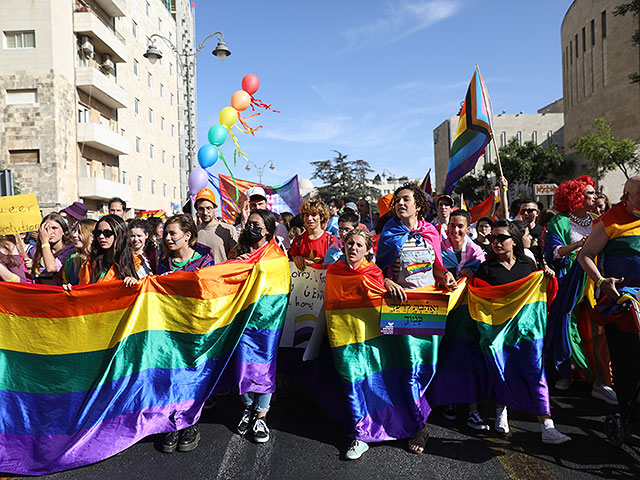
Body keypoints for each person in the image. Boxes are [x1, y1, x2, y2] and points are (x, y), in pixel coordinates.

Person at [376, 183, 457, 454]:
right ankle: (419, 426)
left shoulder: (431, 231)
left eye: (405, 199)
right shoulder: (390, 231)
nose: (400, 203)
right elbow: (377, 269)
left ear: (418, 205)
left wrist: (446, 276)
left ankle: (414, 410)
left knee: (428, 367)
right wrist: (387, 280)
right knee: (410, 367)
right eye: (397, 200)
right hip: (400, 307)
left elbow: (439, 267)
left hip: (429, 306)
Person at [474, 219, 571, 444]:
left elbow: (540, 292)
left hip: (528, 332)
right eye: (492, 239)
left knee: (536, 374)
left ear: (514, 241)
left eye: (501, 238)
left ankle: (547, 426)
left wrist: (547, 276)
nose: (495, 243)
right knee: (502, 371)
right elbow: (478, 298)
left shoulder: (528, 265)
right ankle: (501, 411)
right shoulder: (486, 269)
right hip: (499, 334)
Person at [544, 176, 615, 402]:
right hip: (568, 281)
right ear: (576, 197)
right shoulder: (560, 222)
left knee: (596, 327)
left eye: (594, 193)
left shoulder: (599, 220)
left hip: (594, 281)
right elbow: (553, 253)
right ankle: (565, 371)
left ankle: (598, 375)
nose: (594, 196)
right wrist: (577, 246)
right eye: (589, 193)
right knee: (565, 325)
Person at [578, 176, 640, 418]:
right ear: (627, 196)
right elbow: (585, 255)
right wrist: (602, 283)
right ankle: (629, 415)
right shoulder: (609, 220)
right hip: (621, 304)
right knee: (629, 363)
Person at [158, 214, 215, 453]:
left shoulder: (205, 261)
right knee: (171, 376)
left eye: (173, 233)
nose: (168, 238)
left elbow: (210, 292)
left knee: (192, 376)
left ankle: (190, 421)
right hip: (169, 328)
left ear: (188, 236)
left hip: (196, 327)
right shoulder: (162, 262)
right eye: (166, 234)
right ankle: (172, 422)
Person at [326, 228, 381, 460]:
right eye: (350, 243)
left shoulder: (374, 272)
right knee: (351, 383)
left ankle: (373, 427)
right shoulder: (334, 271)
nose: (354, 248)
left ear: (368, 249)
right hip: (343, 339)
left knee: (370, 382)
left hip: (369, 339)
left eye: (359, 244)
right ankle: (361, 434)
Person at [229, 209, 280, 444]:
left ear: (267, 229)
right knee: (242, 365)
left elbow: (280, 287)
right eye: (248, 223)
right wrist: (236, 266)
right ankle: (247, 408)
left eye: (256, 224)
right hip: (242, 319)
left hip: (267, 321)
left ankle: (261, 415)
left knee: (264, 367)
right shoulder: (238, 251)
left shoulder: (276, 256)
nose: (251, 227)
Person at [439, 209, 488, 430]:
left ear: (469, 229)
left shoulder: (479, 254)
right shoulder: (438, 250)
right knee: (446, 355)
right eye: (452, 225)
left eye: (461, 226)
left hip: (468, 314)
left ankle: (473, 410)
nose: (455, 230)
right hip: (443, 313)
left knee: (468, 356)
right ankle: (448, 400)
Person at [74, 215, 148, 285]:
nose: (101, 236)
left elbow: (145, 289)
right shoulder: (89, 264)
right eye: (98, 233)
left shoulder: (136, 262)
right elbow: (82, 291)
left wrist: (136, 283)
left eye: (107, 233)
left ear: (119, 234)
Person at [289, 197, 337, 271]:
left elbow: (336, 266)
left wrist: (315, 265)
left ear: (321, 217)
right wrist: (296, 259)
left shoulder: (332, 241)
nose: (309, 218)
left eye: (314, 215)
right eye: (306, 215)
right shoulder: (298, 240)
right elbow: (292, 260)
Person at [239, 186, 290, 251]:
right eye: (253, 205)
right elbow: (238, 250)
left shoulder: (279, 227)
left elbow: (283, 252)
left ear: (266, 204)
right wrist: (244, 223)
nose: (257, 207)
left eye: (260, 204)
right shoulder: (239, 228)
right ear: (247, 206)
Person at [194, 188, 238, 263]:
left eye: (208, 208)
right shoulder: (194, 232)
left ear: (215, 208)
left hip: (222, 273)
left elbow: (235, 258)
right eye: (201, 209)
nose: (205, 213)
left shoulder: (228, 230)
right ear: (197, 211)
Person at [31, 213, 75, 285]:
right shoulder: (37, 250)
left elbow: (51, 268)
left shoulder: (70, 250)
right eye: (45, 229)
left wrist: (45, 241)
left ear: (64, 231)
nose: (50, 232)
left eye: (54, 228)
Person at [62, 219, 97, 285]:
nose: (74, 235)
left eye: (80, 232)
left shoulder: (101, 260)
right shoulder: (71, 260)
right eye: (74, 231)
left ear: (92, 235)